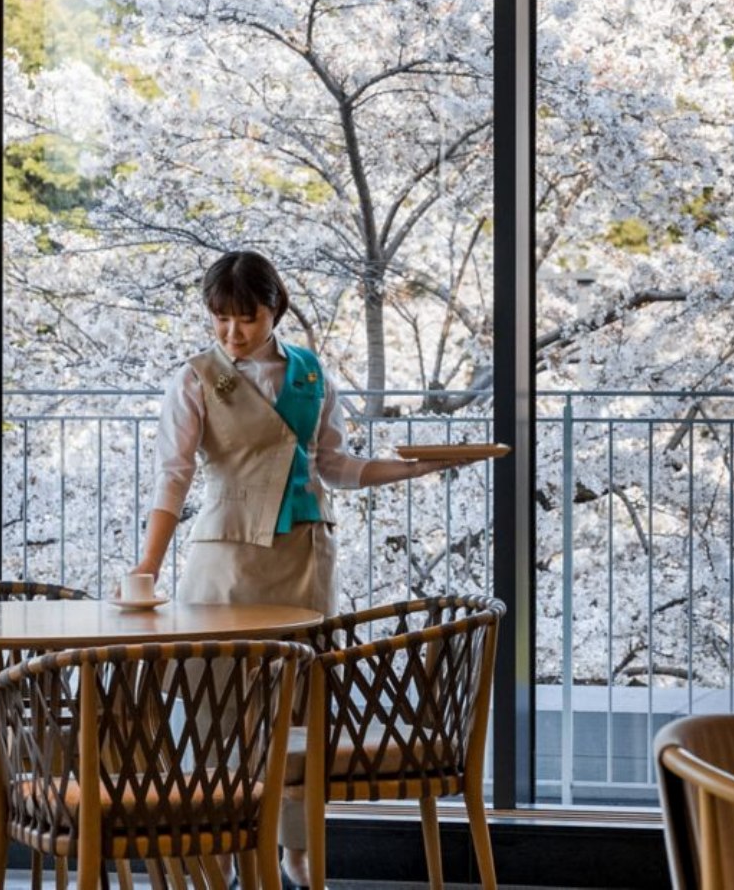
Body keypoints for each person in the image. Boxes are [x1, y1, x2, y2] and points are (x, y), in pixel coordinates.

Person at [129, 249, 482, 887]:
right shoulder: (196, 378)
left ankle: (296, 849)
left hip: (306, 555)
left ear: (276, 310)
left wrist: (414, 469)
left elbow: (334, 466)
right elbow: (172, 477)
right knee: (215, 701)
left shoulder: (311, 373)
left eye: (247, 318)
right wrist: (147, 568)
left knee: (297, 706)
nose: (233, 332)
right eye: (220, 318)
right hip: (226, 559)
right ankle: (223, 850)